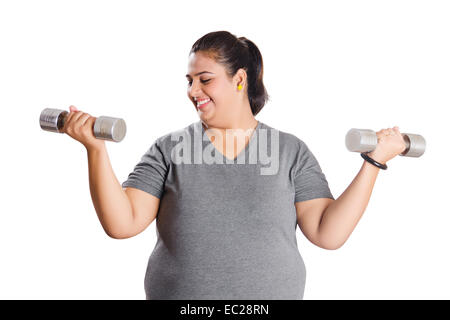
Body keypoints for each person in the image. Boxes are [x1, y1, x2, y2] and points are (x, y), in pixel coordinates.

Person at [62, 30, 407, 300]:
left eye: (205, 79)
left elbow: (326, 233)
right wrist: (96, 149)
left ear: (240, 79)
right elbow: (122, 223)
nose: (192, 90)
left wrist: (372, 161)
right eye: (189, 80)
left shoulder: (289, 150)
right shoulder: (170, 149)